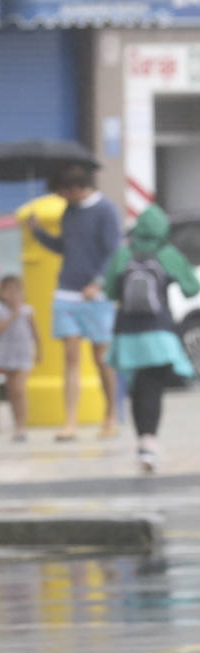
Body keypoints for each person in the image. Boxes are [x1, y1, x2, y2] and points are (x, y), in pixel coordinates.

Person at [23, 165, 123, 442]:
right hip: (66, 292)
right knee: (70, 356)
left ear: (76, 189)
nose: (61, 198)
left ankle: (111, 417)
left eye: (62, 193)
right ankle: (70, 422)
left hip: (96, 296)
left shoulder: (106, 210)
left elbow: (114, 251)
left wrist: (98, 282)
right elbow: (65, 247)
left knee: (102, 359)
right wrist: (39, 233)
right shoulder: (70, 211)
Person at [103, 203, 200, 472]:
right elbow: (193, 289)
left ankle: (143, 442)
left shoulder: (123, 254)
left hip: (126, 334)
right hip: (159, 333)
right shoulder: (167, 253)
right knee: (153, 389)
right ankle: (149, 442)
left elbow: (110, 292)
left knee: (138, 388)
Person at [0, 274, 40, 442]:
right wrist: (13, 315)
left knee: (19, 388)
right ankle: (16, 422)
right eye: (8, 291)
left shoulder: (28, 311)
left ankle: (22, 425)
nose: (13, 295)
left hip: (23, 354)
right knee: (11, 391)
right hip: (6, 354)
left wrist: (39, 350)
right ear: (2, 293)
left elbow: (36, 333)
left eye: (17, 291)